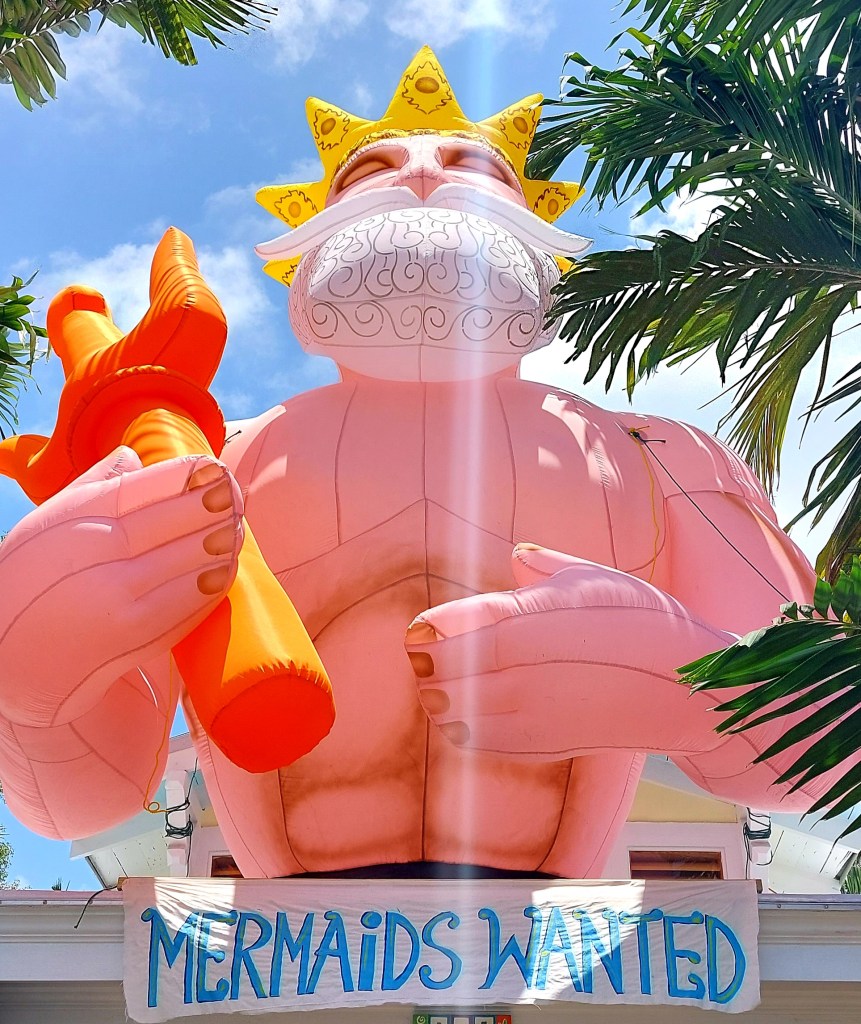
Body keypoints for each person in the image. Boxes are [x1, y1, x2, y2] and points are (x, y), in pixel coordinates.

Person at [0, 49, 824, 878]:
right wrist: (32, 682)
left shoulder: (662, 457)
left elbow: (820, 739)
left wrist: (692, 690)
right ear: (310, 236)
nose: (423, 174)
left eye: (473, 165)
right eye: (373, 169)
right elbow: (88, 799)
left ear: (537, 230)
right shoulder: (208, 463)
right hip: (287, 944)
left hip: (555, 940)